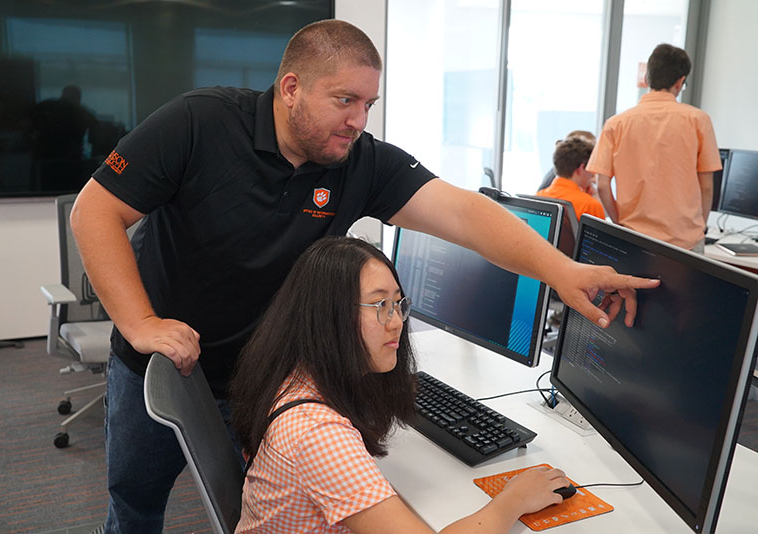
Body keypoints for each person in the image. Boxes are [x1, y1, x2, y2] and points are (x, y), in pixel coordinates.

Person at [69, 19, 659, 533]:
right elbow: (94, 212)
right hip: (161, 359)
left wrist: (561, 270)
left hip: (264, 379)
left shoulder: (358, 161)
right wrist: (140, 322)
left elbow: (463, 212)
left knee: (269, 504)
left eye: (369, 105)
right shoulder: (199, 122)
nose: (358, 121)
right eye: (345, 100)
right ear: (291, 88)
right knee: (136, 506)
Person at [230, 236, 571, 533]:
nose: (397, 323)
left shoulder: (297, 374)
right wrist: (513, 499)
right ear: (328, 315)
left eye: (397, 304)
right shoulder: (317, 434)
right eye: (380, 305)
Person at [586, 43, 721, 253]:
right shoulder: (698, 120)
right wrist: (699, 229)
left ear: (647, 78)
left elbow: (602, 185)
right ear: (680, 81)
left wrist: (619, 224)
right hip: (685, 242)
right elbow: (706, 187)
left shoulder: (616, 124)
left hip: (634, 239)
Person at [537, 136, 605, 221]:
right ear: (582, 168)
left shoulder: (538, 197)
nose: (593, 174)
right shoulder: (590, 205)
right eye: (591, 167)